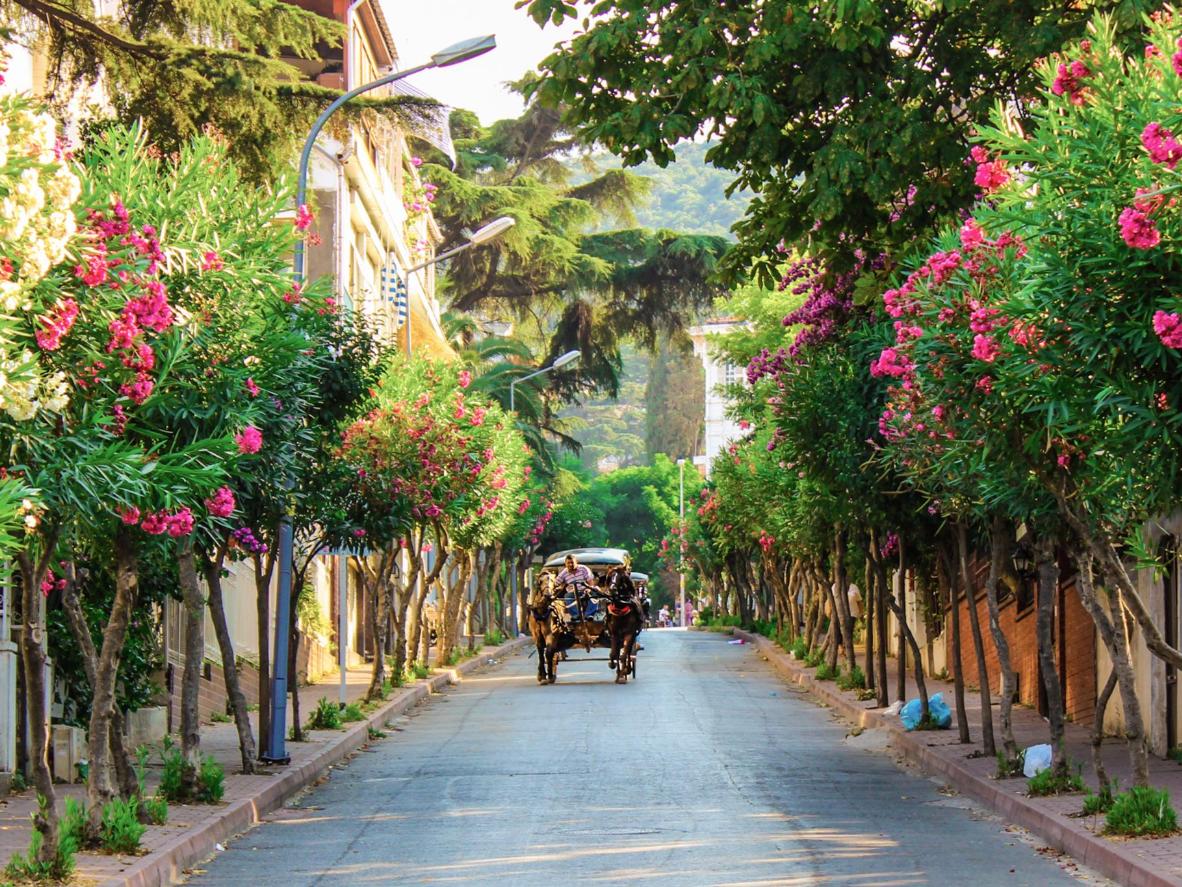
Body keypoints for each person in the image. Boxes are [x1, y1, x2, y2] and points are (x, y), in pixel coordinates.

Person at [556, 554, 595, 621]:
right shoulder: (564, 573)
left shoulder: (583, 568)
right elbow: (556, 583)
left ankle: (588, 614)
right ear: (565, 564)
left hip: (585, 590)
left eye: (572, 562)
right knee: (567, 596)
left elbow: (591, 582)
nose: (570, 564)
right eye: (568, 563)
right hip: (572, 593)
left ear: (576, 562)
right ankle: (576, 615)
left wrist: (588, 589)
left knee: (595, 591)